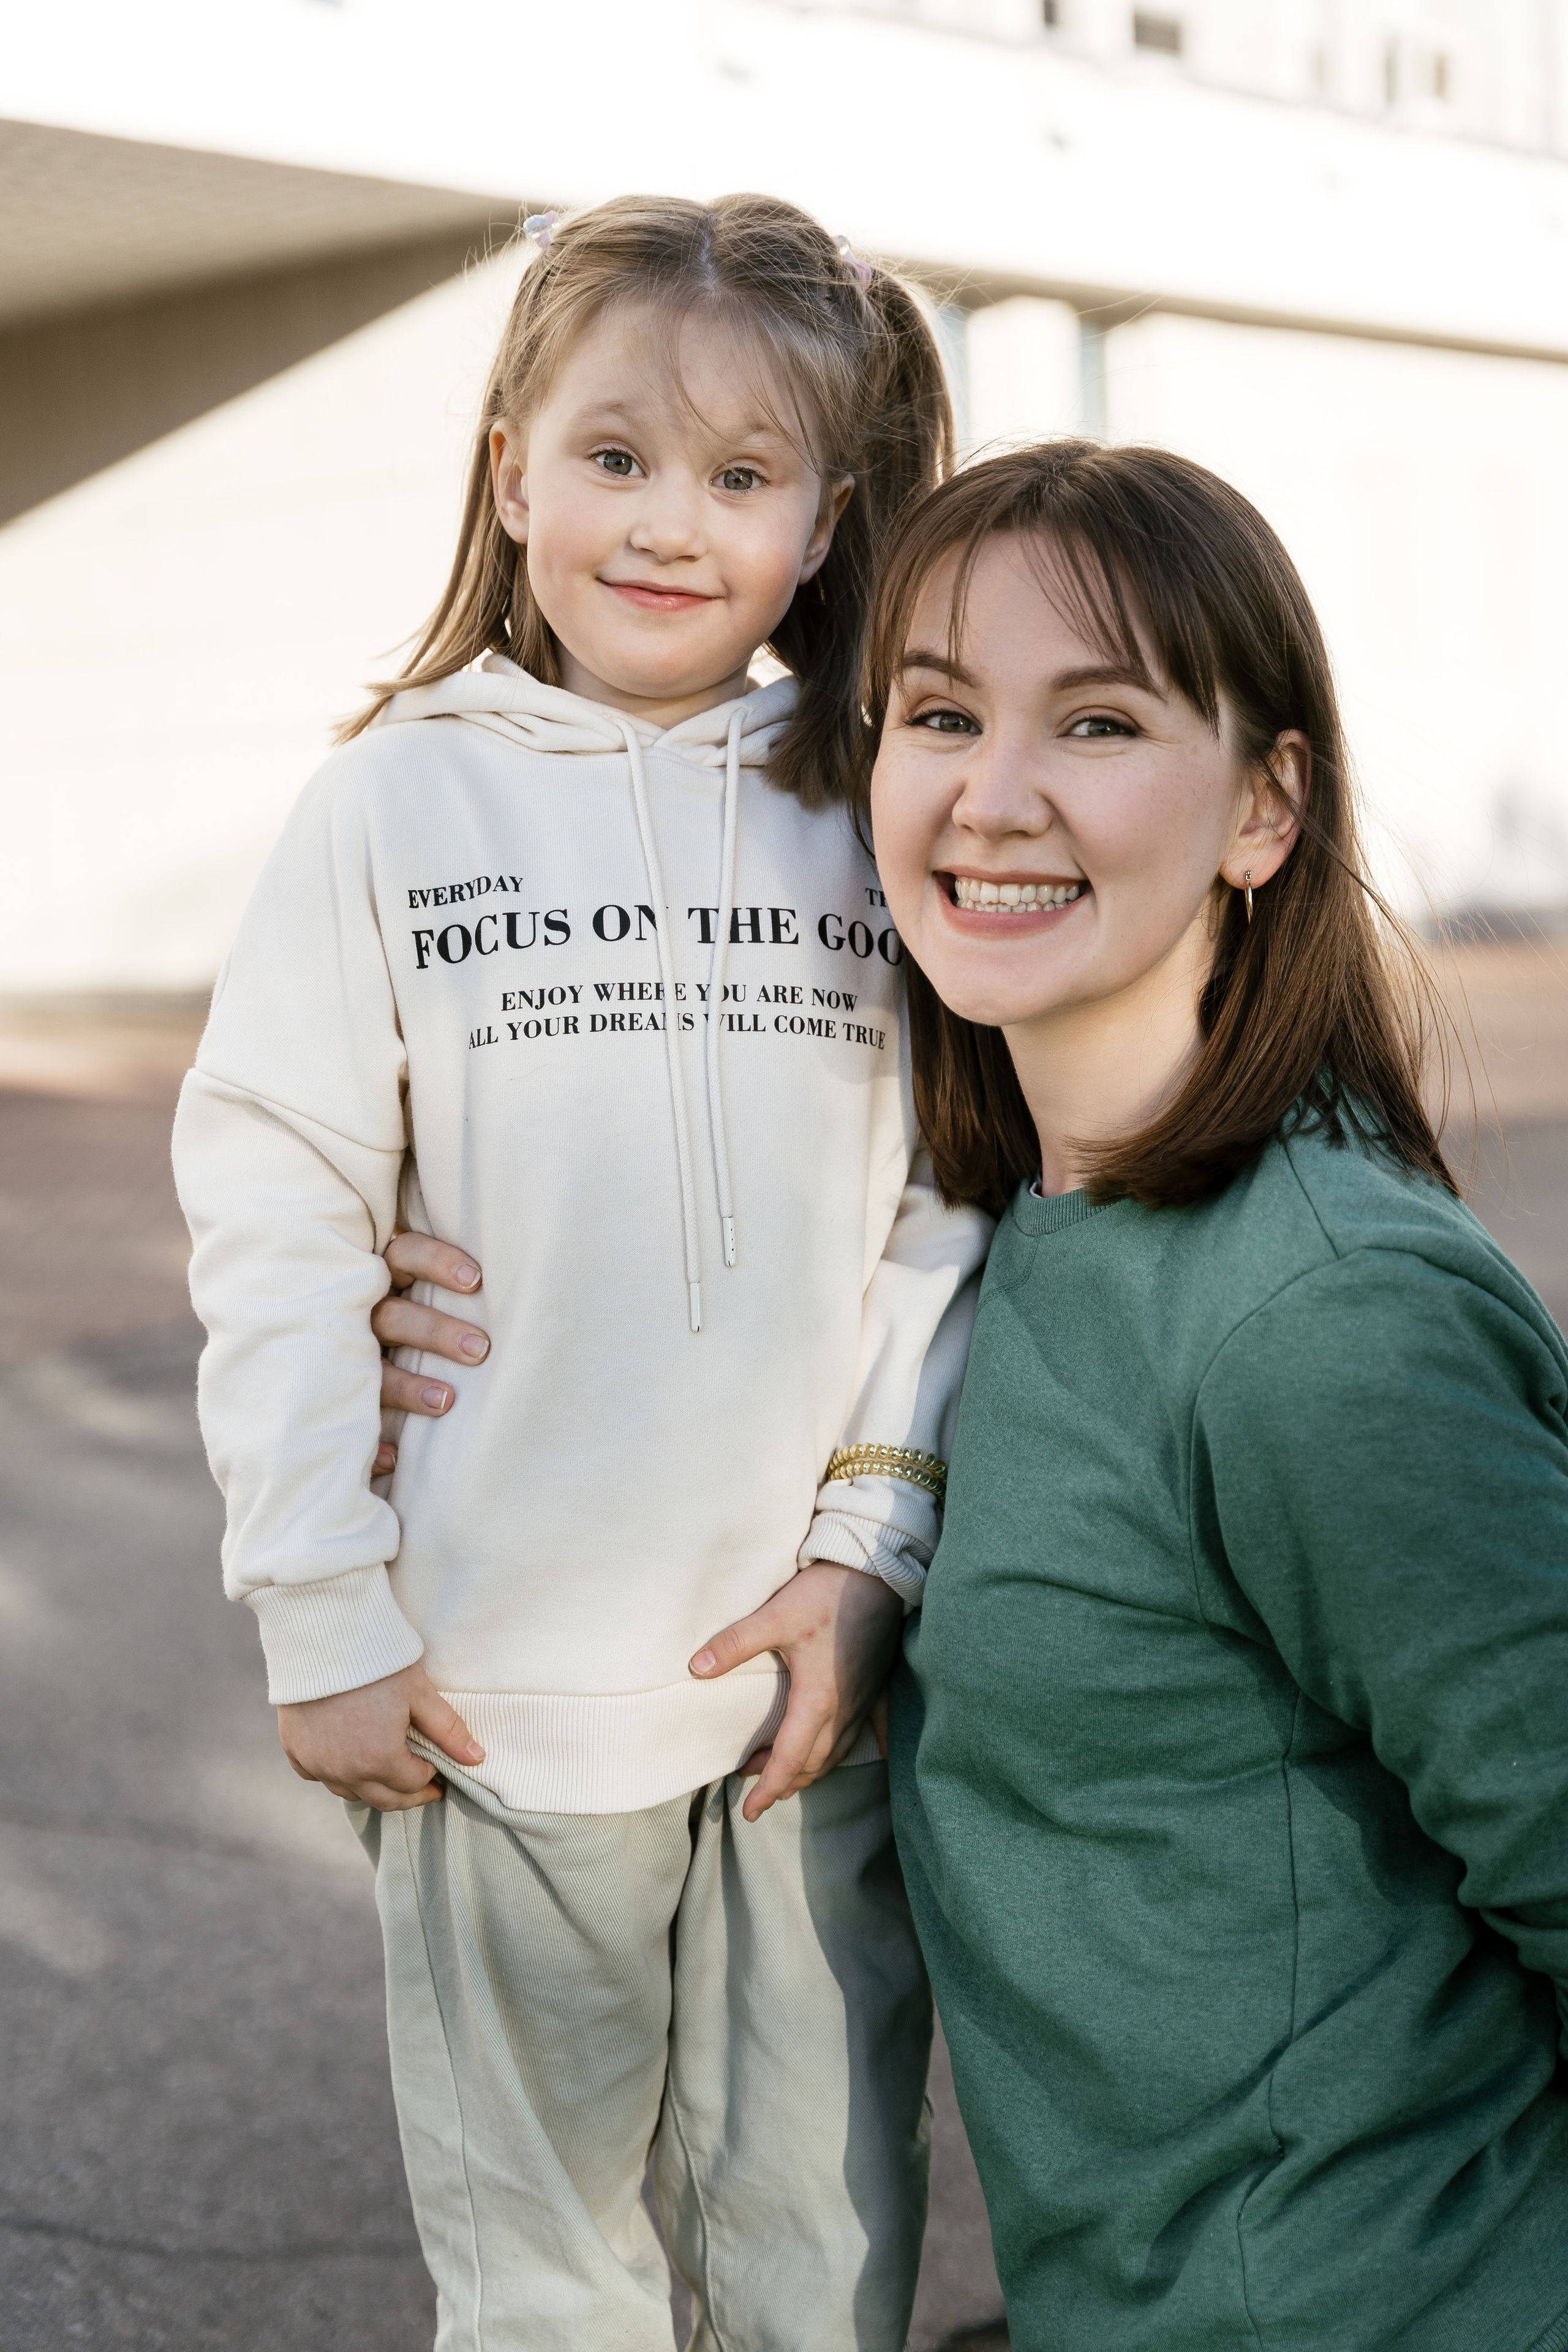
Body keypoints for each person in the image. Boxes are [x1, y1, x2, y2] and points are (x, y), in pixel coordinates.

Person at [173, 194, 991, 2352]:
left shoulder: (875, 804)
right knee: (550, 2278)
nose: (667, 523)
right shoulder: (387, 807)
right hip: (494, 1689)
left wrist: (868, 1557)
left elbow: (940, 1206)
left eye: (741, 477)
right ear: (511, 463)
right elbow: (276, 1202)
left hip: (813, 1685)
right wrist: (319, 1595)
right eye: (615, 456)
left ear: (825, 522)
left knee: (823, 2252)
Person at [864, 442, 1568, 2351]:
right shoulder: (998, 1238)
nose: (990, 798)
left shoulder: (1330, 1323)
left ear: (1266, 810)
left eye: (1094, 721)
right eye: (939, 714)